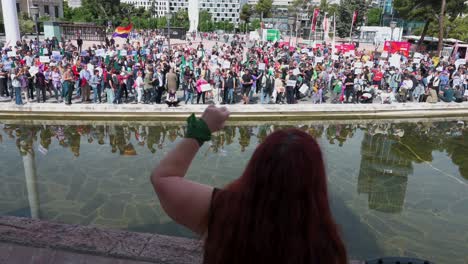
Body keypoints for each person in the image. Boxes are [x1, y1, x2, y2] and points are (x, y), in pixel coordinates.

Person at [150, 105, 348, 264]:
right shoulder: (326, 244)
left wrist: (202, 129)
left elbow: (163, 178)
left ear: (256, 165)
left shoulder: (223, 209)